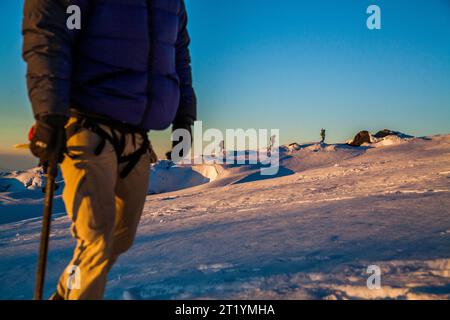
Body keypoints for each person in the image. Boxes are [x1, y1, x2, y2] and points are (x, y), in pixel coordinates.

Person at [22, 0, 196, 300]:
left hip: (137, 137)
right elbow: (49, 34)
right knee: (95, 239)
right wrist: (49, 114)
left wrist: (184, 117)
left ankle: (66, 293)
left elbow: (179, 56)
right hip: (85, 127)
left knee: (119, 237)